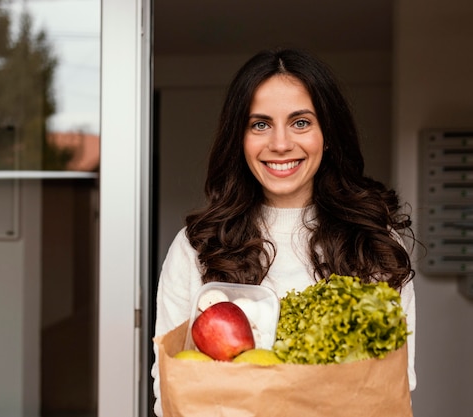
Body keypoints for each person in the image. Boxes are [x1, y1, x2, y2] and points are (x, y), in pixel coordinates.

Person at [151, 47, 417, 416]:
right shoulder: (197, 247)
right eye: (260, 124)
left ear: (328, 133)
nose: (280, 144)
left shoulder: (374, 242)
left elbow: (396, 385)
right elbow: (169, 396)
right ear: (239, 138)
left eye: (301, 122)